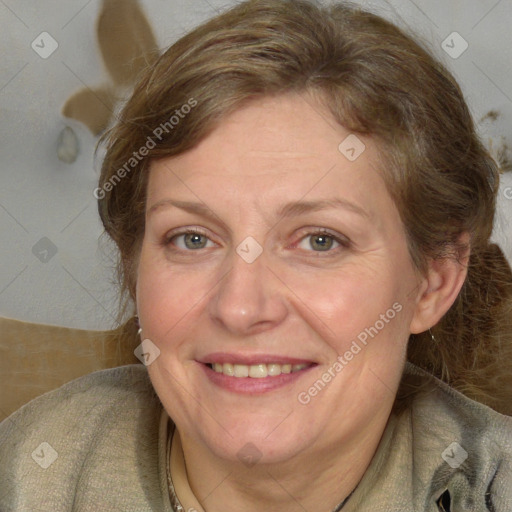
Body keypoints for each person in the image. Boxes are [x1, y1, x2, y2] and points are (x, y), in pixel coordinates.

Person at [1, 0, 512, 510]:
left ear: (434, 281)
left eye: (320, 240)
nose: (240, 308)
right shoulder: (31, 473)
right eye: (192, 239)